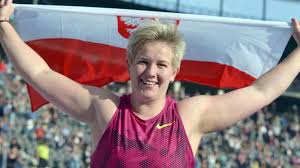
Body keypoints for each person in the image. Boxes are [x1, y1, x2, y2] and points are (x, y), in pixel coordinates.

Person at [0, 0, 299, 167]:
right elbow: (41, 75)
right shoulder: (105, 109)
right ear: (129, 63)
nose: (151, 72)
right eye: (143, 61)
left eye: (161, 64)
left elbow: (262, 91)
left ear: (175, 70)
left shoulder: (190, 117)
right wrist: (3, 25)